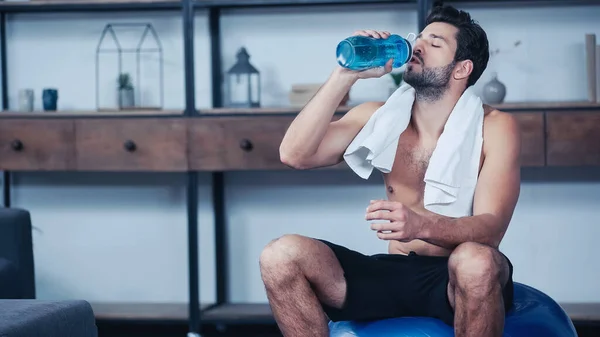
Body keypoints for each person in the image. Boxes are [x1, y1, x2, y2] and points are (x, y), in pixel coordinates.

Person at [259, 4, 521, 337]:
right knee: (280, 255)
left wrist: (421, 224)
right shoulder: (379, 116)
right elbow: (294, 154)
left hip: (454, 278)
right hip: (395, 269)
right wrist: (345, 75)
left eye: (435, 43)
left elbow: (490, 230)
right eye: (420, 38)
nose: (417, 47)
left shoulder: (496, 127)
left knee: (476, 261)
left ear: (461, 69)